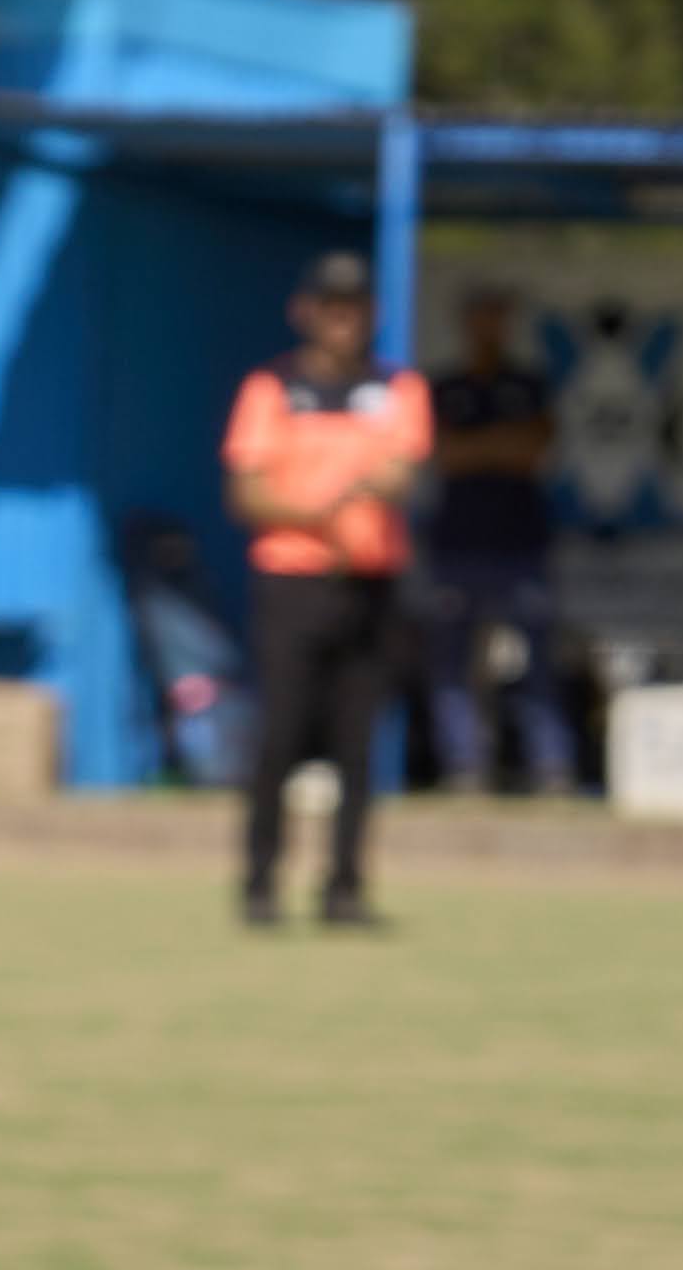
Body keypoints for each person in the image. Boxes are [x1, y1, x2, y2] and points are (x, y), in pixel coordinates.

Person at [223, 249, 428, 927]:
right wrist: (322, 514)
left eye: (356, 307)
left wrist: (358, 495)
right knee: (279, 737)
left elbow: (401, 472)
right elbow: (248, 491)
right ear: (305, 311)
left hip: (370, 585)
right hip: (291, 585)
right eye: (330, 306)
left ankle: (344, 887)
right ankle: (259, 882)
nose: (343, 320)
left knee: (356, 745)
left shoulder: (397, 388)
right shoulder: (272, 388)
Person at [415, 287, 573, 796]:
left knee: (538, 663)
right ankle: (464, 768)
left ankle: (550, 768)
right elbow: (441, 455)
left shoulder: (530, 384)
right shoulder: (443, 386)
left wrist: (477, 448)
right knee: (451, 664)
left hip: (520, 545)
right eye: (479, 316)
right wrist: (497, 446)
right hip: (457, 546)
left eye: (497, 317)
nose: (489, 327)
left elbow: (535, 451)